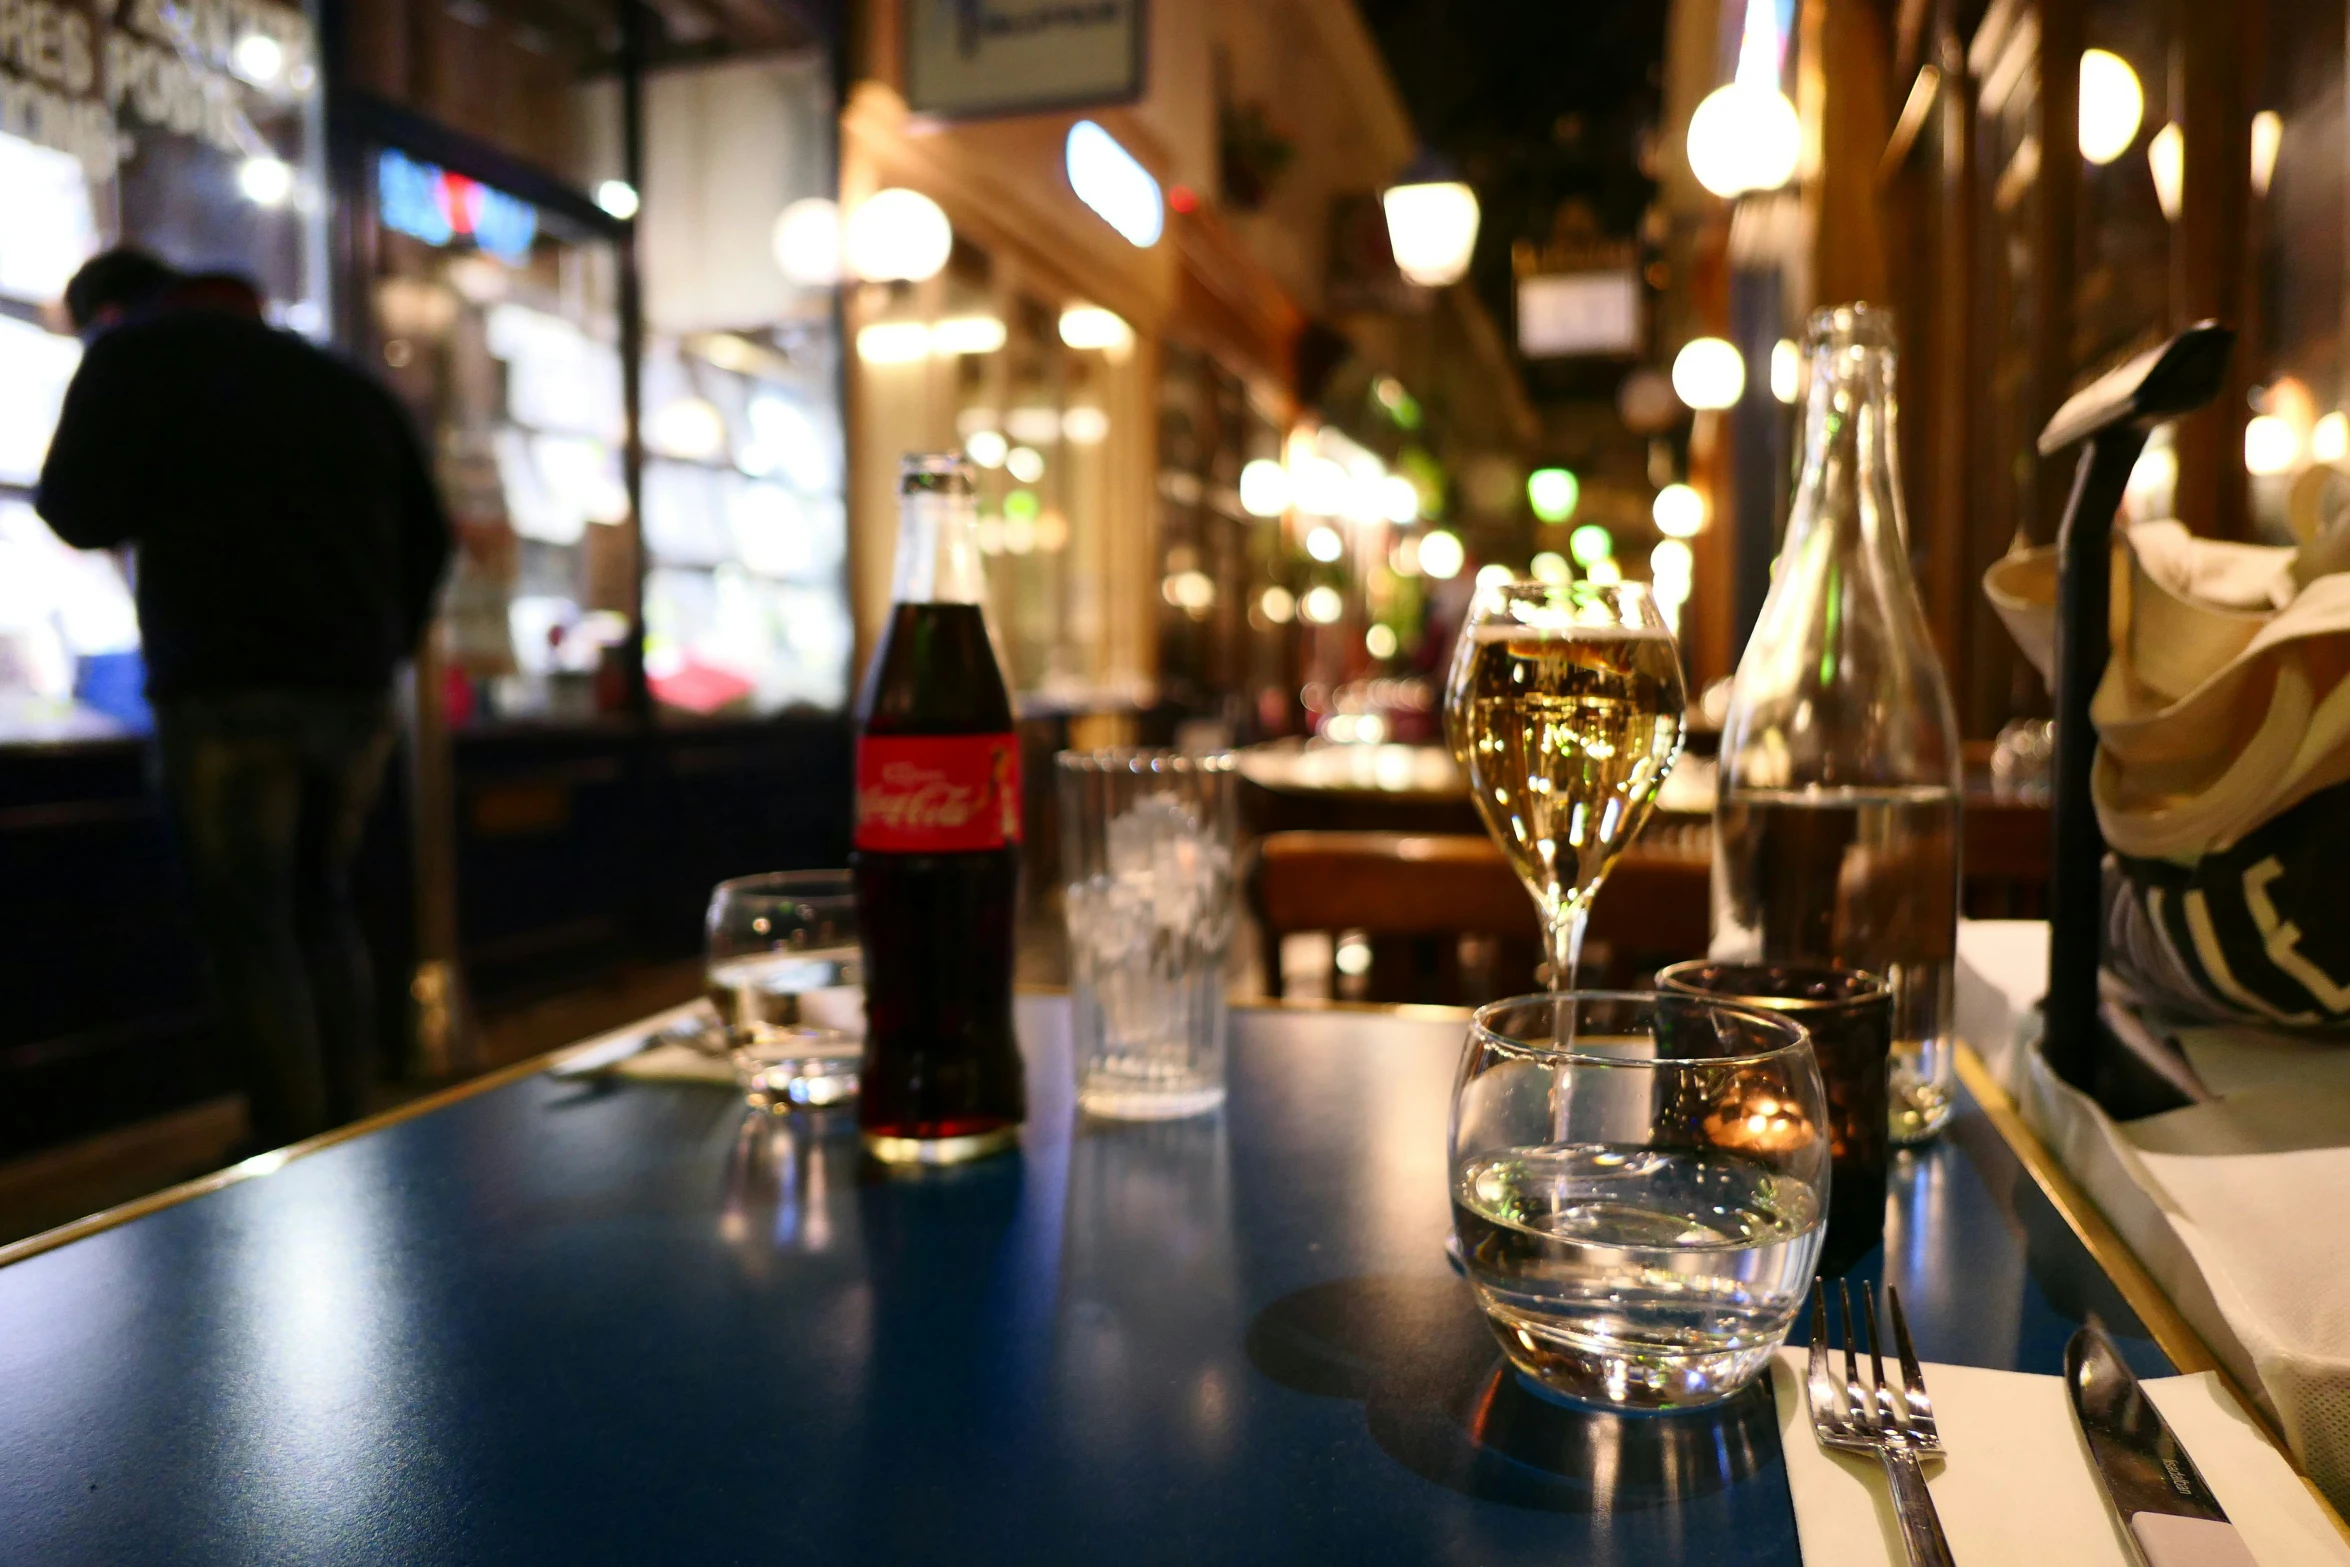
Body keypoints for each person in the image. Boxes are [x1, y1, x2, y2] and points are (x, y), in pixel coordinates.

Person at [37, 247, 452, 1149]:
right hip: (352, 691)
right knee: (322, 902)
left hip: (222, 682)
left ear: (107, 312)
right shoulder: (338, 382)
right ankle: (350, 1134)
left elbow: (74, 508)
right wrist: (378, 645)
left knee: (249, 922)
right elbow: (432, 536)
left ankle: (290, 1143)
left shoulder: (135, 356)